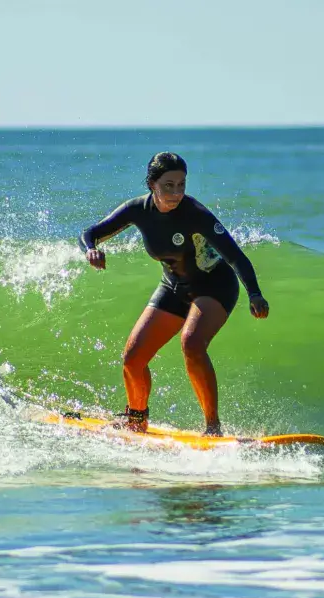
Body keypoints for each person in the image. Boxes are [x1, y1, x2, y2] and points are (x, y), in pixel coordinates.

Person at [78, 152, 270, 436]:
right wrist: (90, 250)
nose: (177, 192)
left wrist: (254, 293)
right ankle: (136, 419)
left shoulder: (196, 214)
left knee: (192, 343)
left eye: (181, 184)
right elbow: (90, 233)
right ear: (152, 184)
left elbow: (236, 257)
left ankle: (213, 427)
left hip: (214, 285)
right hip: (174, 287)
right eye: (169, 185)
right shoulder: (137, 210)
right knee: (133, 357)